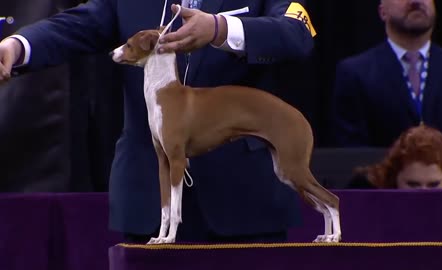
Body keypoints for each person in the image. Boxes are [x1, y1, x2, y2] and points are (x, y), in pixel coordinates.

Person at [0, 0, 316, 243]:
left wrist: (221, 29)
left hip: (245, 203)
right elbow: (75, 25)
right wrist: (17, 45)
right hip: (147, 202)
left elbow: (297, 33)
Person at [330, 0, 442, 185]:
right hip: (384, 200)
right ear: (382, 11)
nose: (417, 1)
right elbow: (352, 147)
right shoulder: (354, 72)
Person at [348, 125, 442, 189]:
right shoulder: (367, 193)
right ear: (394, 177)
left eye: (433, 185)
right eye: (413, 185)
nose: (424, 196)